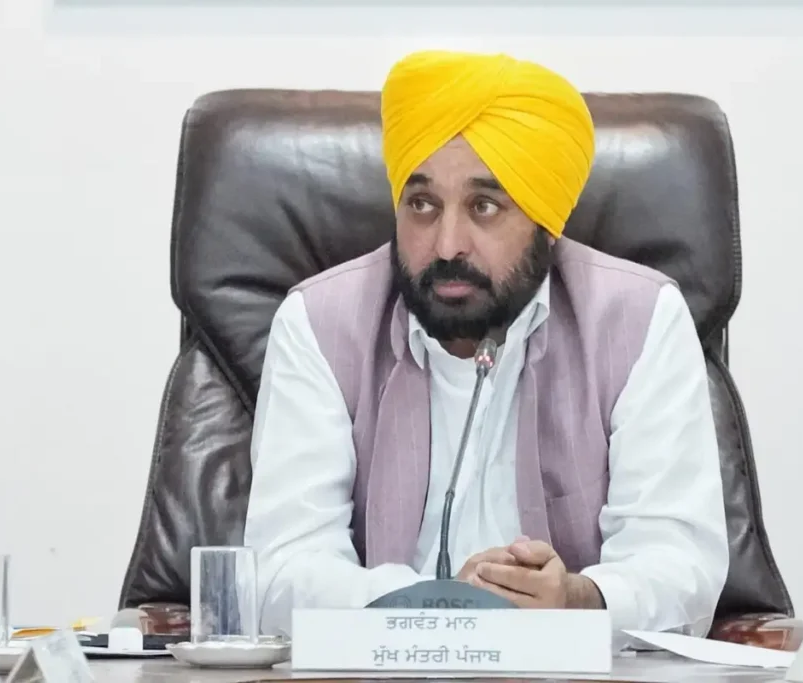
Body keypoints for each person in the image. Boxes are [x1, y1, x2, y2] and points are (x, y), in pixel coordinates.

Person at [244, 50, 729, 637]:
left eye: (484, 206)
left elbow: (681, 565)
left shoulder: (640, 318)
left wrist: (577, 600)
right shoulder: (320, 323)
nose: (447, 244)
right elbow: (281, 571)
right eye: (422, 205)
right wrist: (434, 603)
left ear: (546, 221)